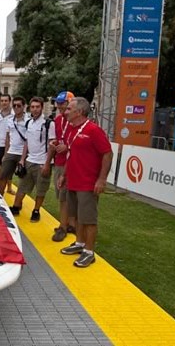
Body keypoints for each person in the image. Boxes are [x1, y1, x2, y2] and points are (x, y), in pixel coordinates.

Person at [59, 97, 113, 268]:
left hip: (87, 183)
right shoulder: (72, 130)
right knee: (76, 216)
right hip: (73, 181)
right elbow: (71, 155)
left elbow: (107, 153)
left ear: (79, 112)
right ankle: (79, 243)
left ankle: (89, 252)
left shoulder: (93, 130)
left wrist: (102, 179)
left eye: (69, 109)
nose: (65, 112)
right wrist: (64, 175)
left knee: (89, 218)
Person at [14, 97, 56, 221]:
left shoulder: (49, 124)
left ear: (42, 107)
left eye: (37, 107)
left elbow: (52, 145)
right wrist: (22, 159)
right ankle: (16, 206)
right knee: (22, 186)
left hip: (42, 163)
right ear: (30, 108)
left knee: (41, 189)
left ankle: (36, 210)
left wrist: (47, 164)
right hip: (29, 161)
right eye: (33, 107)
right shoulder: (29, 123)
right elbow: (27, 142)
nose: (35, 109)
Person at [45, 91, 76, 242]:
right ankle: (70, 223)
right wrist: (55, 143)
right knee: (61, 195)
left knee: (66, 196)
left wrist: (67, 146)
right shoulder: (57, 120)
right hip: (59, 161)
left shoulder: (76, 121)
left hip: (72, 162)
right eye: (57, 103)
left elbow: (77, 141)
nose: (59, 106)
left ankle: (63, 226)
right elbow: (59, 138)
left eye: (62, 103)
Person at [0, 96, 28, 196]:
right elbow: (7, 138)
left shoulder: (28, 120)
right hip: (11, 152)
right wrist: (5, 154)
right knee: (3, 176)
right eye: (14, 105)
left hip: (23, 153)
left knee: (23, 181)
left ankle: (17, 205)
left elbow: (29, 139)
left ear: (24, 106)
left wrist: (24, 157)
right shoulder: (10, 119)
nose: (16, 107)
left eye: (19, 105)